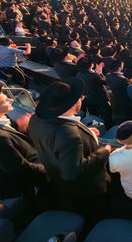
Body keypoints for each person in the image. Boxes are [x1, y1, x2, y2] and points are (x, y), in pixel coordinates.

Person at [27, 78, 111, 222]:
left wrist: (86, 132)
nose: (82, 99)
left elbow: (54, 141)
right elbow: (74, 172)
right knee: (95, 213)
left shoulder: (36, 119)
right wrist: (104, 152)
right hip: (86, 189)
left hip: (57, 178)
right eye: (80, 97)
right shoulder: (69, 135)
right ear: (72, 105)